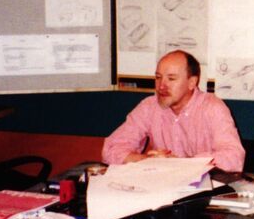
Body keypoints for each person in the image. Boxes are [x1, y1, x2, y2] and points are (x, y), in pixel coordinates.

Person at [102, 50, 245, 171]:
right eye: (158, 78)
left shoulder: (212, 108)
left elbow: (233, 157)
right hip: (161, 190)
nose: (161, 86)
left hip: (201, 191)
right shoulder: (149, 106)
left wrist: (179, 165)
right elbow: (111, 149)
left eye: (171, 79)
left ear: (191, 83)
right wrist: (147, 161)